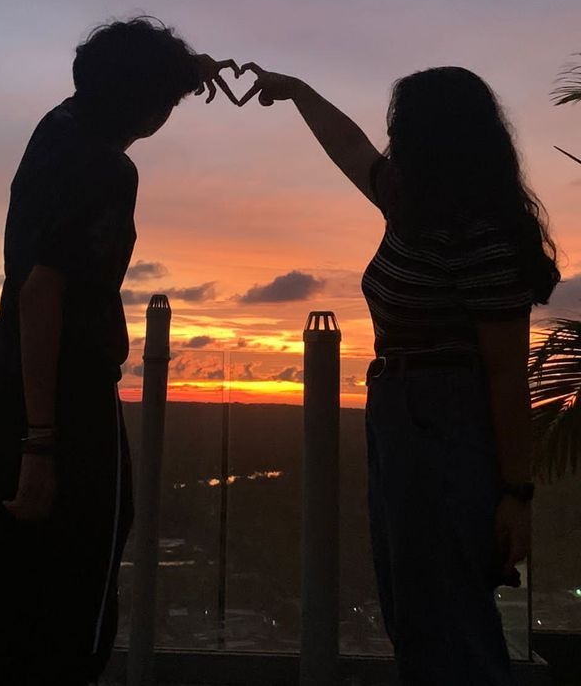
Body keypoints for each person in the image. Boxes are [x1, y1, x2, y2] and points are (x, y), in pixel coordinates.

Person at [237, 63, 560, 685]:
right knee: (414, 605)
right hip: (399, 415)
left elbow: (504, 377)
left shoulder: (482, 238)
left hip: (445, 422)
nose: (391, 139)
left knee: (446, 612)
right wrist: (298, 91)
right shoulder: (412, 204)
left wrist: (516, 496)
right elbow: (350, 148)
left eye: (404, 128)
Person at [0, 16, 237, 686]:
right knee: (74, 603)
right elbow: (40, 291)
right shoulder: (106, 170)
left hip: (5, 389)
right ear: (146, 104)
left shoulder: (58, 126)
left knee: (15, 596)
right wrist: (42, 441)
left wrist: (183, 68)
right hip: (62, 406)